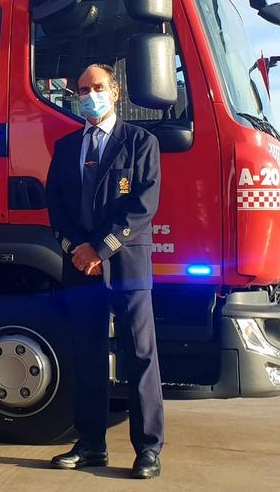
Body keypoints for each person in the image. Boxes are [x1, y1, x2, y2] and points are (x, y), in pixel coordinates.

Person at [45, 64, 164, 479]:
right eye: (82, 89)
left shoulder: (141, 142)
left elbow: (143, 206)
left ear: (115, 92)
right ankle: (90, 444)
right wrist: (76, 250)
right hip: (80, 268)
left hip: (127, 264)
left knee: (140, 355)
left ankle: (148, 448)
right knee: (87, 355)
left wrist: (100, 248)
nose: (89, 94)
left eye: (97, 87)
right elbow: (56, 207)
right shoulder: (64, 147)